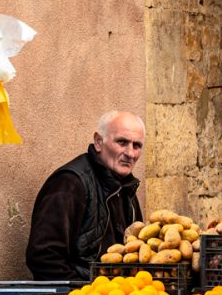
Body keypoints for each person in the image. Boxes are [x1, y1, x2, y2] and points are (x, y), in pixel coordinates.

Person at [26, 110, 145, 280]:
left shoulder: (127, 189)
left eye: (137, 145)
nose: (130, 153)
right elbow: (44, 258)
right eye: (122, 142)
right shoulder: (71, 183)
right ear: (98, 142)